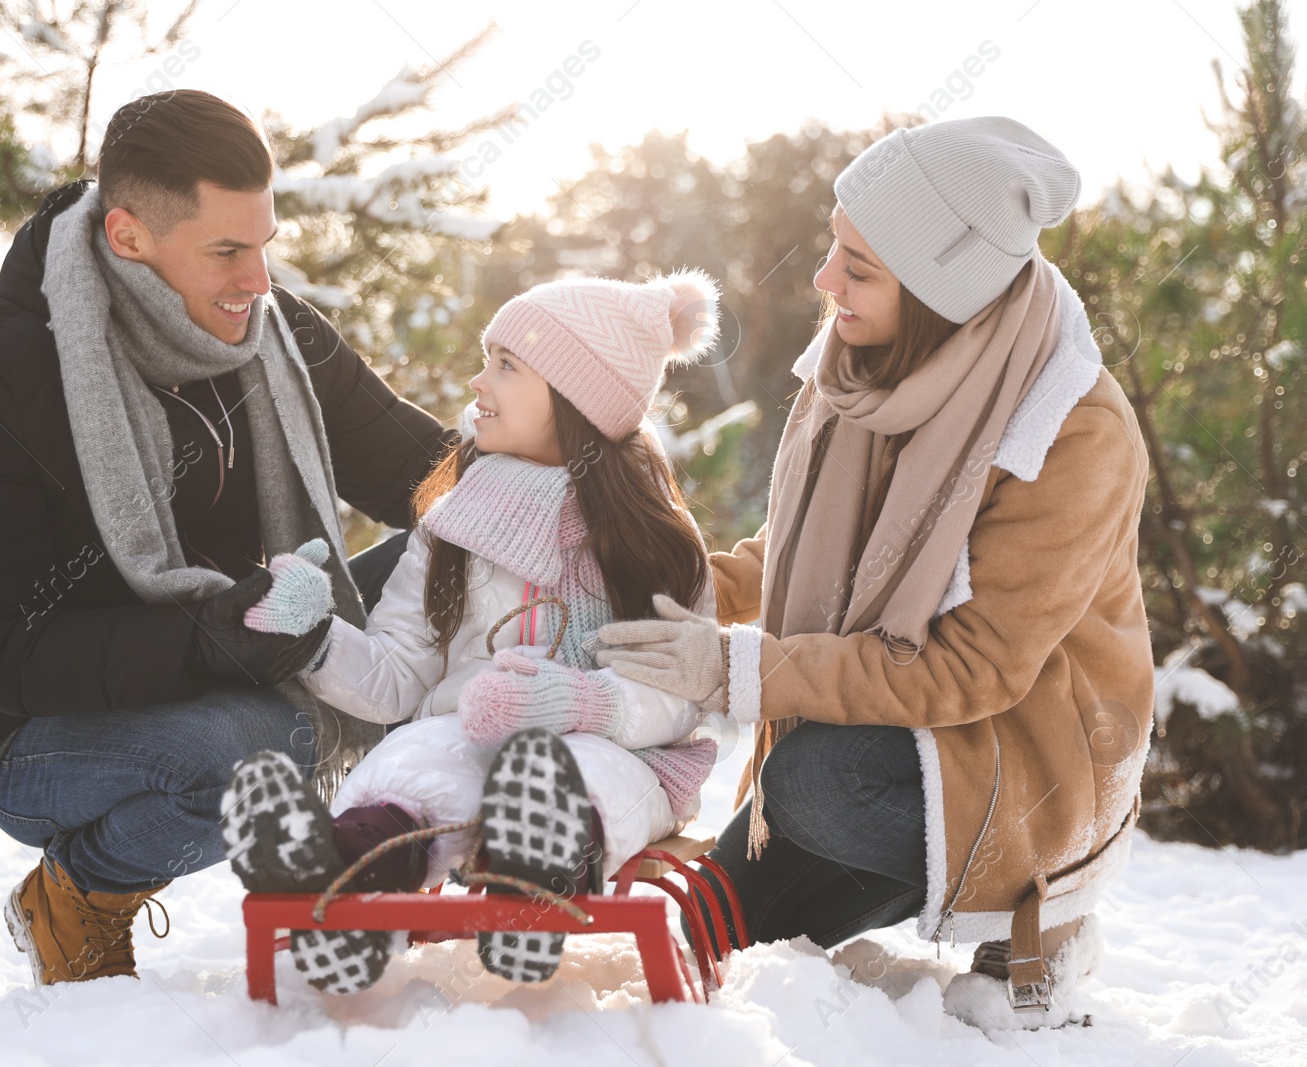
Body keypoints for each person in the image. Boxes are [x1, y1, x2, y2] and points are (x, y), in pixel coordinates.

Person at [595, 117, 1155, 1031]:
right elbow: (803, 546)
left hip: (1034, 748)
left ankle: (1043, 908)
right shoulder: (868, 369)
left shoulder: (1070, 432)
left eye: (858, 267)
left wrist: (737, 666)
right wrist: (688, 586)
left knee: (814, 781)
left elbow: (974, 670)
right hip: (892, 729)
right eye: (832, 249)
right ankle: (867, 870)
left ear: (943, 292)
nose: (824, 282)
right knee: (712, 930)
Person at [0, 90, 454, 986]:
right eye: (227, 252)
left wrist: (582, 489)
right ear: (128, 237)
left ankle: (454, 842)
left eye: (265, 244)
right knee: (255, 751)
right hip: (41, 733)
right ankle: (78, 892)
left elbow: (423, 474)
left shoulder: (274, 336)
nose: (260, 282)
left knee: (468, 561)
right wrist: (206, 639)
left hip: (258, 662)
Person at [222, 272, 727, 994]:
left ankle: (535, 871)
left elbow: (680, 691)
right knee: (416, 764)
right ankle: (337, 882)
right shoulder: (454, 522)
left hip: (618, 747)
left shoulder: (651, 538)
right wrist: (315, 636)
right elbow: (400, 673)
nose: (476, 379)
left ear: (576, 396)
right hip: (466, 727)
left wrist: (577, 705)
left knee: (576, 772)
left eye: (505, 364)